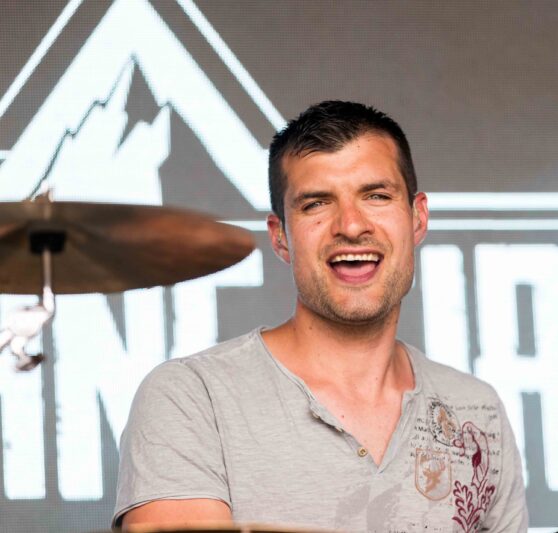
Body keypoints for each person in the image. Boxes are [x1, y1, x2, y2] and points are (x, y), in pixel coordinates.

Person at [114, 101, 528, 531]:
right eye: (316, 204)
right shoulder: (191, 398)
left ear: (417, 218)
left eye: (376, 196)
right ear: (280, 237)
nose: (351, 225)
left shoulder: (476, 410)